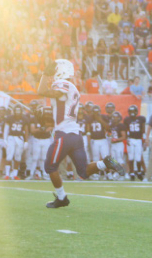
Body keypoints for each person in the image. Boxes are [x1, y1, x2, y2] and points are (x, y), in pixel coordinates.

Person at [38, 59, 124, 208]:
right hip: (75, 135)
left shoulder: (63, 84)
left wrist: (45, 74)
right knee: (83, 171)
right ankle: (105, 163)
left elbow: (41, 91)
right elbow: (60, 110)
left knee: (50, 167)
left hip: (64, 135)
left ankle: (62, 198)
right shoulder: (72, 88)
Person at [29, 107, 54, 180]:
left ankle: (45, 174)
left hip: (46, 139)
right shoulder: (34, 119)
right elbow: (32, 130)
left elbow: (50, 128)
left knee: (44, 158)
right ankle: (31, 174)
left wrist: (42, 130)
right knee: (35, 158)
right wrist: (41, 129)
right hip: (37, 139)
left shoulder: (48, 118)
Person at [4, 106, 27, 180]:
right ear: (14, 111)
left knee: (18, 156)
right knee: (9, 156)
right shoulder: (10, 118)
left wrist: (26, 141)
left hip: (20, 138)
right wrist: (5, 139)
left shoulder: (24, 119)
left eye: (19, 111)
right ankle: (7, 174)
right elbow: (6, 128)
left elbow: (26, 130)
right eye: (16, 111)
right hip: (11, 137)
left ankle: (15, 174)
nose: (17, 113)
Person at [124, 105, 147, 181]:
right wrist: (127, 138)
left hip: (138, 140)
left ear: (136, 111)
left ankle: (139, 172)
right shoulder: (127, 119)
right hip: (131, 139)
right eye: (131, 111)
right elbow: (126, 130)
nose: (132, 113)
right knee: (130, 157)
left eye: (134, 111)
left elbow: (143, 130)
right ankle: (132, 172)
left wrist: (144, 140)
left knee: (138, 157)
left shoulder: (141, 119)